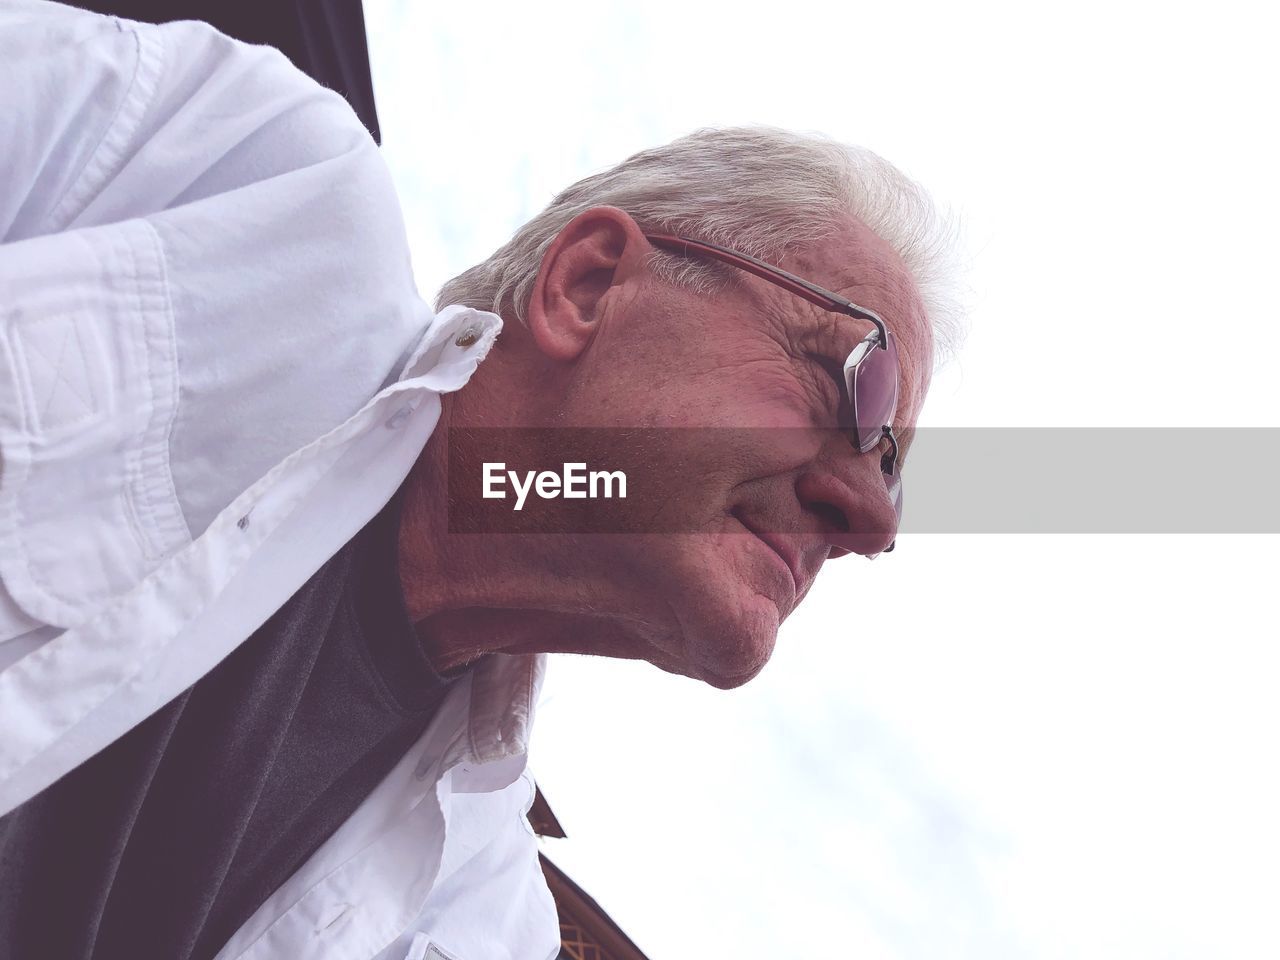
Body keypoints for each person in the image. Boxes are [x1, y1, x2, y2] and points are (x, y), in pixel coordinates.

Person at [0, 2, 958, 958]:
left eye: (892, 470)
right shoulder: (225, 175)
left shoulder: (483, 920)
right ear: (586, 287)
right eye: (857, 385)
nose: (870, 520)